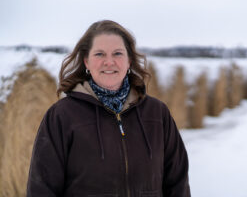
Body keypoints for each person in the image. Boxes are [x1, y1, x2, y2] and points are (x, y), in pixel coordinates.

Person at [27, 20, 191, 197]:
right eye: (99, 54)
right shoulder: (62, 116)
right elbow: (42, 188)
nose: (109, 62)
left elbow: (177, 182)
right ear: (86, 62)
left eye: (117, 53)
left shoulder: (157, 113)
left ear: (129, 61)